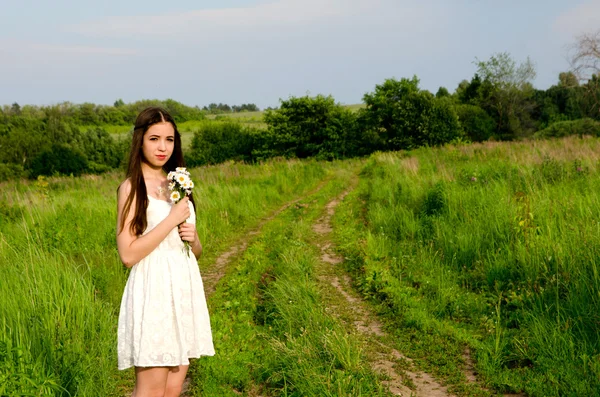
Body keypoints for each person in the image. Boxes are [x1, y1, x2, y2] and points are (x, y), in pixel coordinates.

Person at [116, 106, 215, 396]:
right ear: (140, 141)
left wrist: (193, 239)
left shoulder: (177, 182)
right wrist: (171, 219)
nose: (163, 147)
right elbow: (128, 255)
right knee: (150, 391)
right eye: (154, 138)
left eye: (169, 140)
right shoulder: (132, 188)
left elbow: (192, 252)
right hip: (154, 292)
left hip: (183, 290)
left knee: (173, 388)